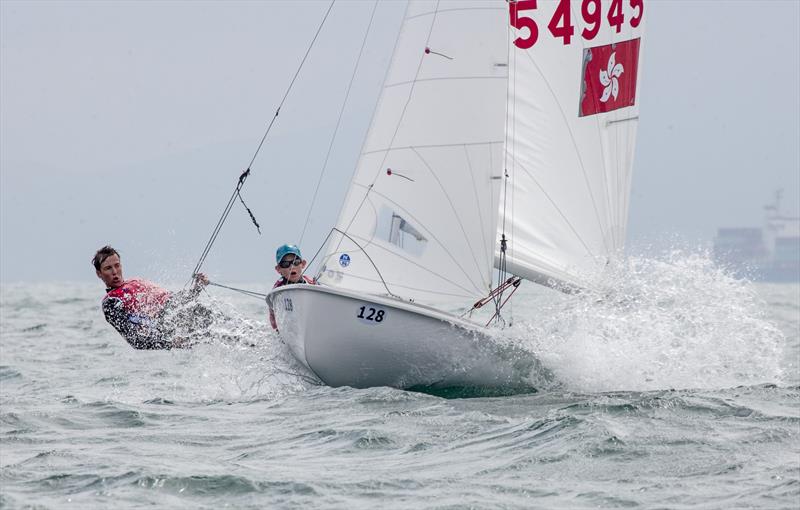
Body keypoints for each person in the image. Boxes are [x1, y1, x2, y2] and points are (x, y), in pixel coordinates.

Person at [93, 245, 210, 349]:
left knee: (215, 321)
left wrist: (196, 289)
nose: (115, 271)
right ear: (99, 273)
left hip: (179, 310)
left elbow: (174, 300)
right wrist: (171, 342)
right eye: (108, 268)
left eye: (117, 265)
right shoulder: (111, 301)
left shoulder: (136, 281)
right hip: (166, 321)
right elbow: (135, 340)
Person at [269, 244, 316, 330]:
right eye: (286, 264)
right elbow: (272, 316)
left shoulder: (311, 284)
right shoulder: (277, 289)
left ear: (303, 264)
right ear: (278, 269)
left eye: (296, 262)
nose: (292, 267)